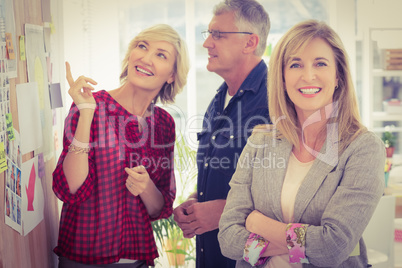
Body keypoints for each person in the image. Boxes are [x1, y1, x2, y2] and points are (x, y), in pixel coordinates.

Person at [218, 20, 386, 268]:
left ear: (338, 75)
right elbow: (228, 239)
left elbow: (332, 248)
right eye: (296, 64)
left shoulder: (363, 148)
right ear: (283, 79)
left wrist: (259, 226)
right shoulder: (260, 141)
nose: (308, 75)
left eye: (320, 63)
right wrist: (302, 245)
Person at [52, 24, 189, 267]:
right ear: (130, 56)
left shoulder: (164, 123)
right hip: (83, 259)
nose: (146, 58)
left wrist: (146, 187)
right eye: (142, 46)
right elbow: (71, 188)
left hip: (137, 261)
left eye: (160, 54)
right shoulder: (90, 105)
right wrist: (86, 114)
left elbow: (159, 208)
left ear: (171, 75)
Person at [173, 1, 271, 267]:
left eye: (218, 34)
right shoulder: (218, 99)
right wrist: (196, 201)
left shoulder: (276, 100)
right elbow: (224, 173)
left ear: (250, 43)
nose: (207, 44)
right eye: (209, 34)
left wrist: (226, 211)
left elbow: (292, 197)